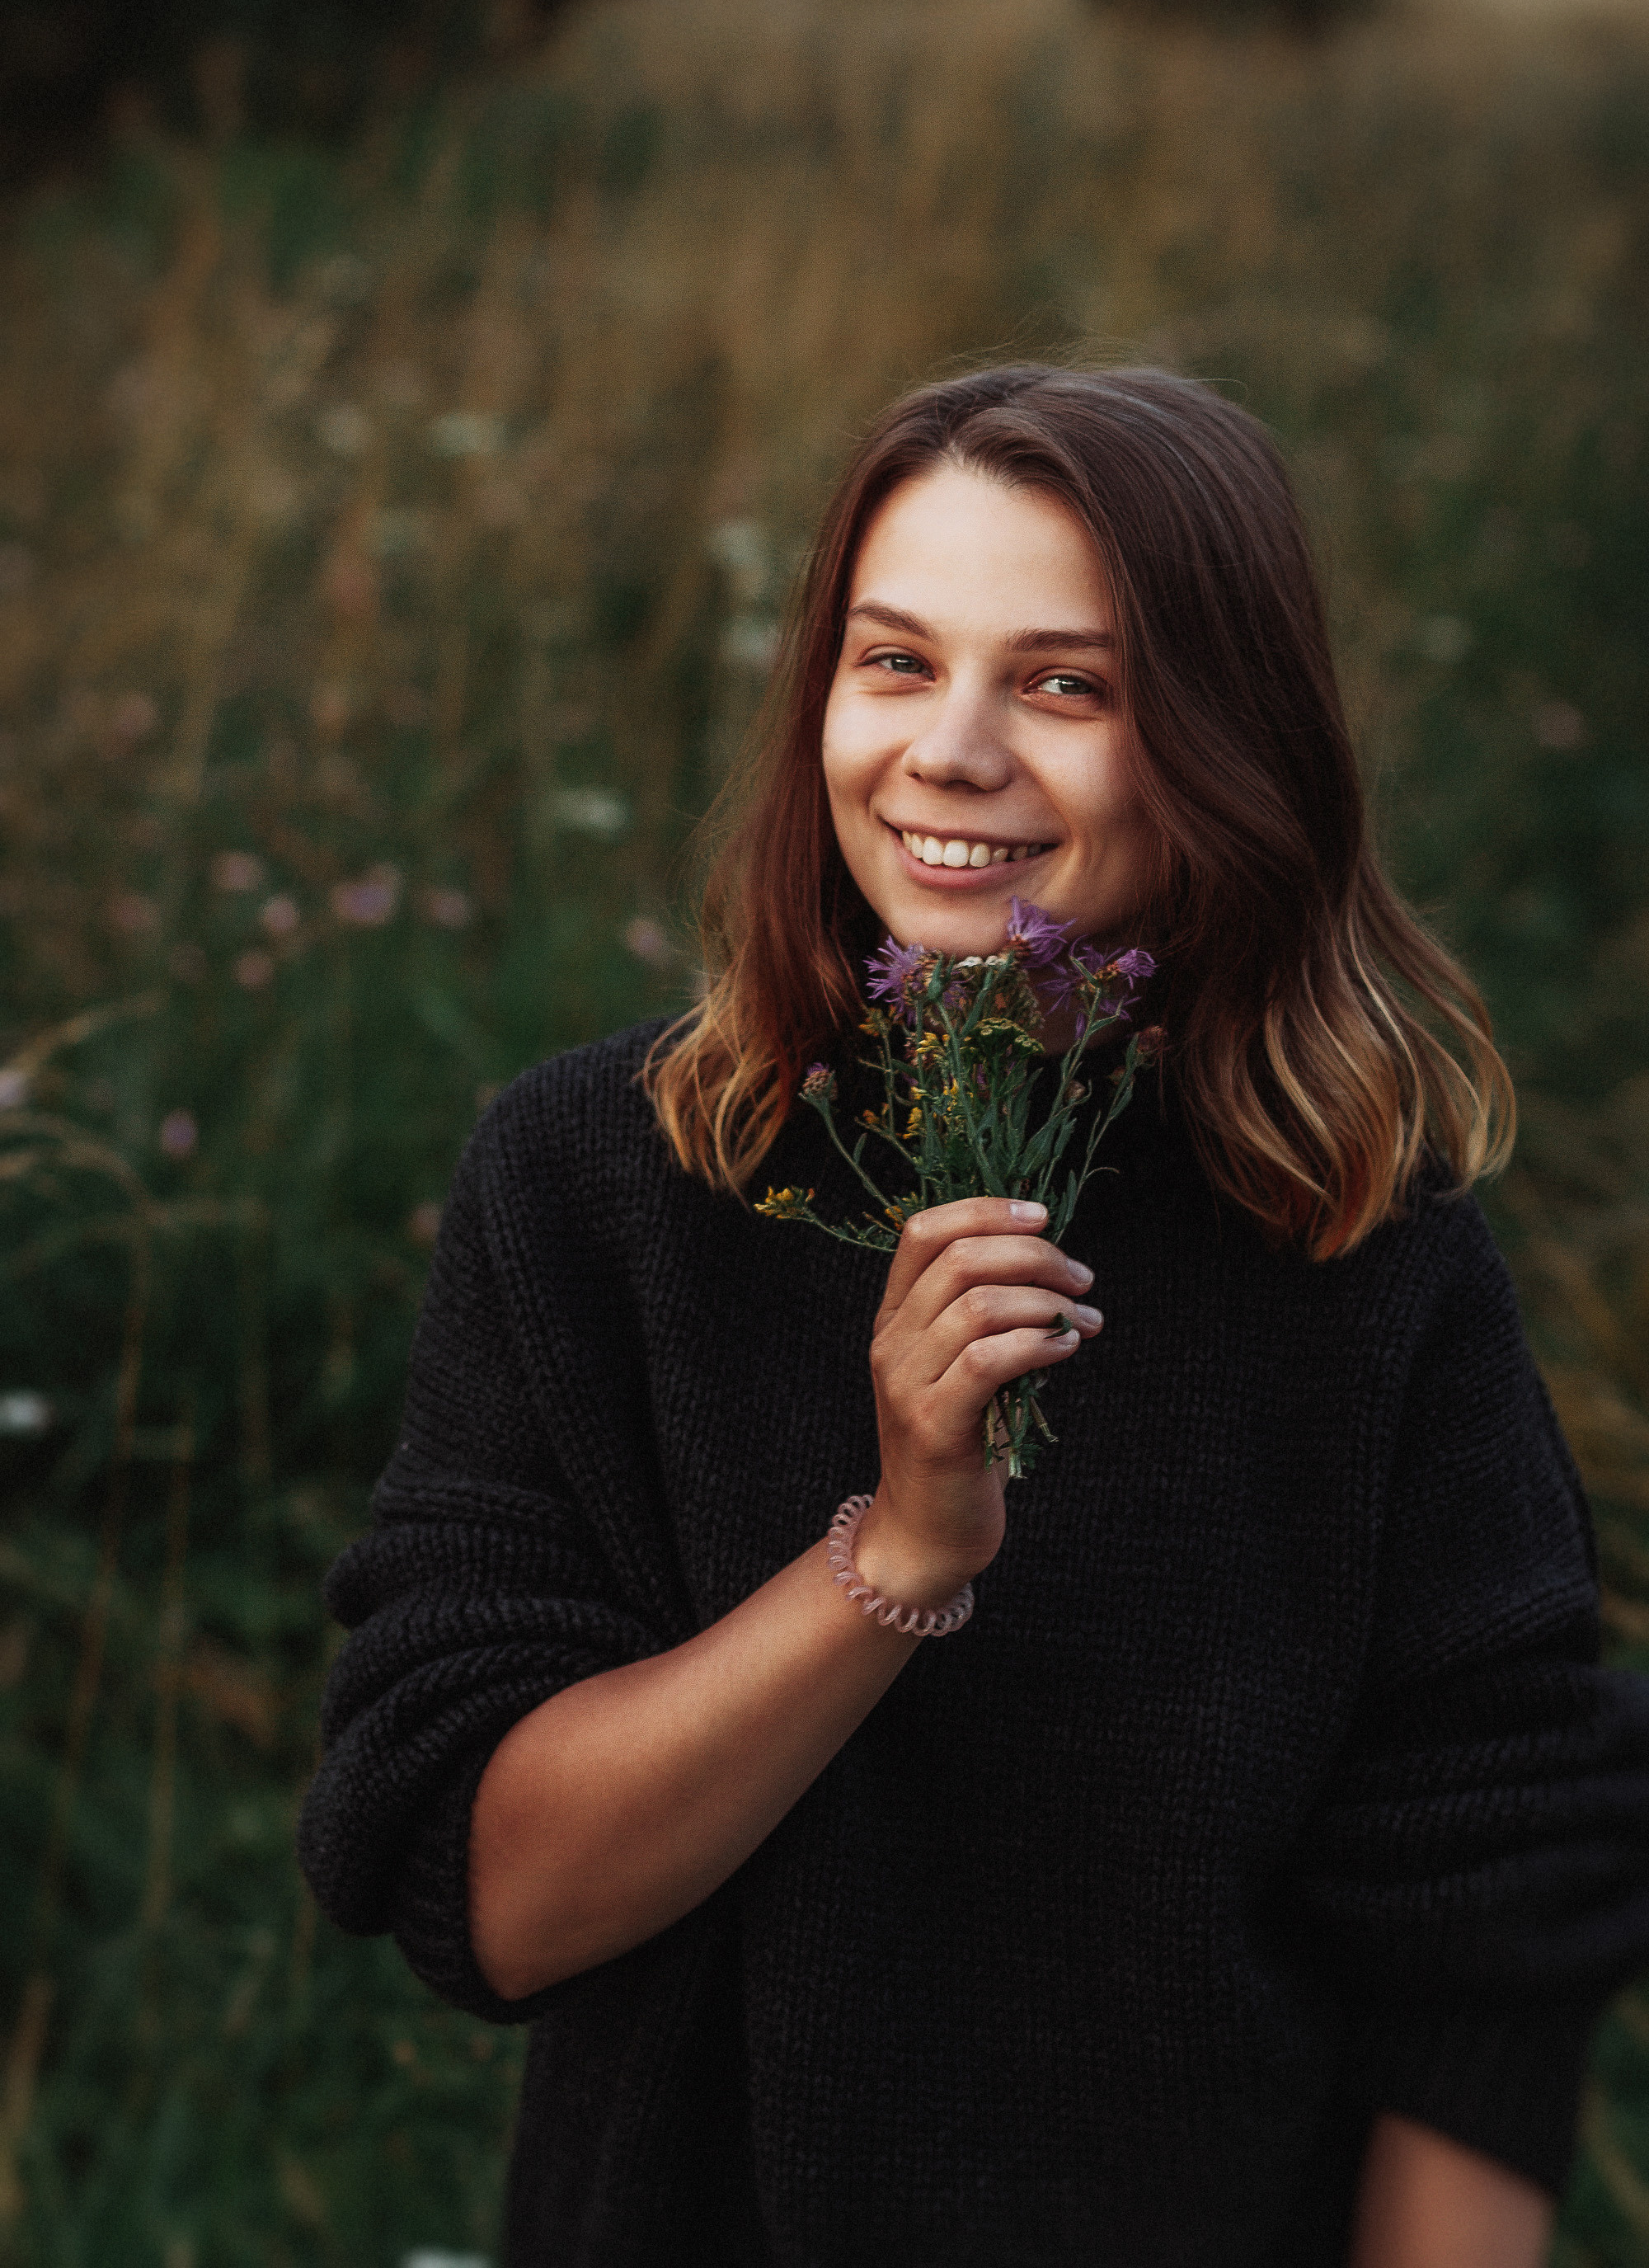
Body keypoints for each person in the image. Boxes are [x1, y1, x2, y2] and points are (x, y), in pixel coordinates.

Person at [298, 366, 1649, 2267]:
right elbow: (486, 1894)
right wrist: (899, 1556)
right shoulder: (598, 1191)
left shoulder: (1360, 1249)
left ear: (1223, 740)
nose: (951, 751)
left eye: (1067, 685)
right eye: (895, 662)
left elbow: (1481, 1953)